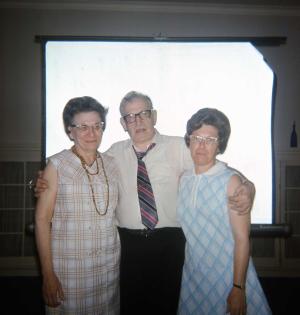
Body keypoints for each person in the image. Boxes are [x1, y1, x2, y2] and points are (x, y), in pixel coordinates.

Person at [35, 91, 255, 315]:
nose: (137, 121)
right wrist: (40, 181)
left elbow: (217, 168)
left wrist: (247, 186)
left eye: (143, 113)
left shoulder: (180, 147)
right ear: (123, 123)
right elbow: (73, 167)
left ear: (155, 116)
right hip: (129, 246)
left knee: (168, 306)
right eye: (130, 116)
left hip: (171, 244)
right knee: (131, 306)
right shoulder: (113, 155)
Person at [177, 108, 271, 315]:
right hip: (194, 275)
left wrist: (238, 288)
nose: (201, 145)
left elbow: (242, 239)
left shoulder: (232, 182)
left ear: (220, 145)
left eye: (210, 139)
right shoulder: (183, 180)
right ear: (189, 141)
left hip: (228, 276)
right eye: (197, 138)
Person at [35, 96, 120, 314]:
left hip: (107, 270)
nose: (91, 133)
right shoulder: (57, 164)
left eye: (97, 126)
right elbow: (42, 221)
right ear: (69, 130)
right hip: (69, 271)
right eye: (82, 127)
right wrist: (48, 275)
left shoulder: (111, 163)